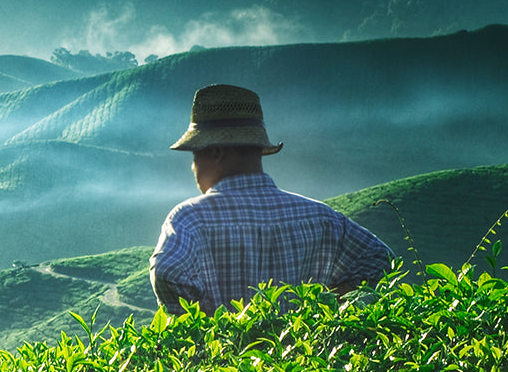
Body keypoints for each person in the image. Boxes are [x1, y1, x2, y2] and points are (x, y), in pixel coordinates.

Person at [149, 83, 392, 314]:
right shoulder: (322, 218)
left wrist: (203, 324)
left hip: (223, 356)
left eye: (195, 156)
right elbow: (380, 261)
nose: (193, 168)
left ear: (216, 152)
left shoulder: (190, 220)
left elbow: (167, 271)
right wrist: (323, 311)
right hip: (306, 356)